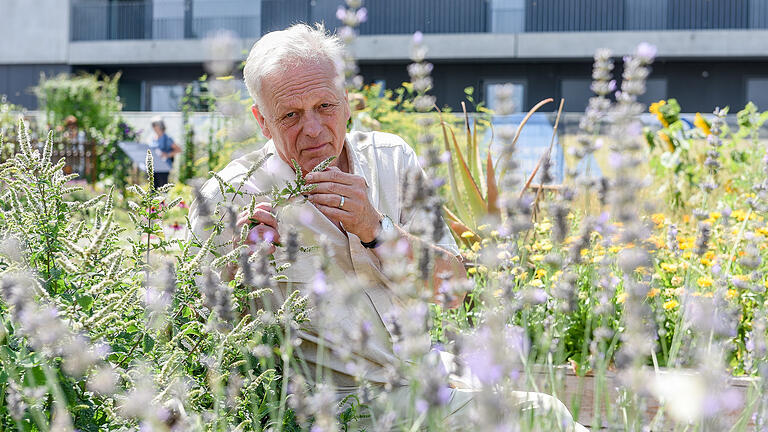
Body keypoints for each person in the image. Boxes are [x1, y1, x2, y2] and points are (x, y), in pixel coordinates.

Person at [189, 24, 586, 431]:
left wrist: (377, 229)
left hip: (430, 377)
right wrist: (233, 268)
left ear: (346, 101)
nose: (312, 129)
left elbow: (454, 290)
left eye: (325, 106)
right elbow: (190, 335)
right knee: (547, 416)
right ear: (262, 121)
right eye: (290, 115)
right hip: (340, 409)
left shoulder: (391, 159)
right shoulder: (229, 196)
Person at [149, 117, 181, 188]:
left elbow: (178, 149)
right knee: (153, 189)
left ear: (160, 126)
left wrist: (167, 154)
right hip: (154, 167)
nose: (153, 127)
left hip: (164, 167)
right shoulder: (153, 138)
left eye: (155, 125)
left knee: (163, 188)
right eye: (153, 125)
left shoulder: (167, 138)